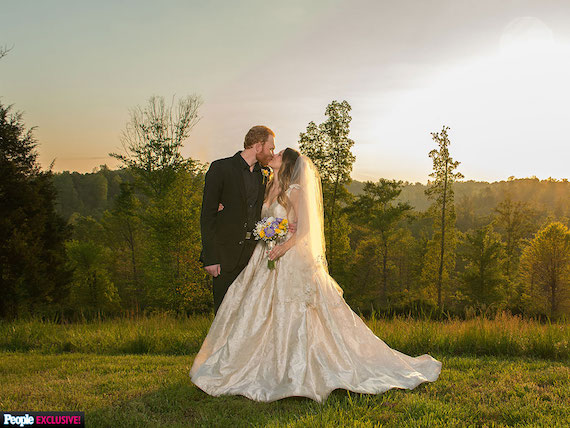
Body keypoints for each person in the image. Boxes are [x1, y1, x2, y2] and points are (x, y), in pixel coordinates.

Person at [190, 148, 442, 403]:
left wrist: (282, 247)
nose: (274, 155)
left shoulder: (296, 191)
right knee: (257, 314)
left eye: (279, 154)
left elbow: (305, 230)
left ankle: (300, 370)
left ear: (287, 164)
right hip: (263, 257)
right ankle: (258, 364)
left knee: (294, 314)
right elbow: (253, 213)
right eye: (272, 151)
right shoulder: (267, 185)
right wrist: (227, 210)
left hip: (286, 257)